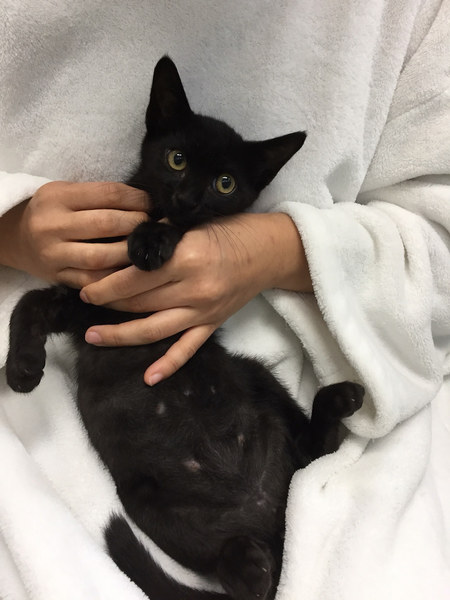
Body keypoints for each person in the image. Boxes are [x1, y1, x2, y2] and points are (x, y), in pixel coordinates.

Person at [0, 1, 449, 599]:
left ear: (252, 188)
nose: (190, 194)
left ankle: (312, 442)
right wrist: (24, 312)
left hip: (232, 418)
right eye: (177, 161)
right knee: (146, 495)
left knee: (257, 382)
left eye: (224, 184)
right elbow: (68, 300)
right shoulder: (116, 222)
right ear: (155, 133)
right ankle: (231, 556)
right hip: (152, 447)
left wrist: (269, 249)